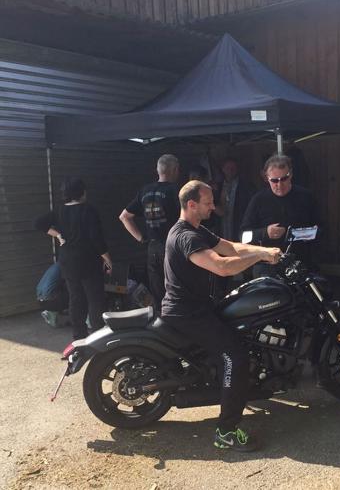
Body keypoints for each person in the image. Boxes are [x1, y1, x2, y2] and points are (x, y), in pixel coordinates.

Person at [161, 180, 281, 452]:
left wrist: (264, 250)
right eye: (208, 203)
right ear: (192, 204)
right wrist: (260, 258)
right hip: (187, 313)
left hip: (198, 307)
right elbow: (222, 266)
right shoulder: (186, 237)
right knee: (235, 357)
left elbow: (231, 248)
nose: (213, 207)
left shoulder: (196, 229)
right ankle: (226, 431)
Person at [35, 177, 112, 340]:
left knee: (76, 298)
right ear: (81, 192)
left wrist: (57, 235)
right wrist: (107, 258)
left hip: (68, 261)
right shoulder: (89, 210)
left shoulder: (59, 211)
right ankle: (98, 336)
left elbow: (38, 223)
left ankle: (79, 336)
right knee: (95, 299)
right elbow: (96, 238)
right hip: (89, 261)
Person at [240, 154, 318, 277]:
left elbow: (321, 228)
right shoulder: (258, 200)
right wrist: (265, 233)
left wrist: (305, 234)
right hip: (267, 266)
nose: (280, 185)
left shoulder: (306, 197)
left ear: (290, 175)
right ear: (267, 178)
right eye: (274, 180)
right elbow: (243, 236)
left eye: (284, 179)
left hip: (300, 263)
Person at [119, 154, 180, 312]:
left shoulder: (144, 191)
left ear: (158, 170)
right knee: (177, 289)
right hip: (172, 247)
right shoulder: (175, 191)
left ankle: (160, 319)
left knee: (158, 291)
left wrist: (142, 239)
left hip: (152, 247)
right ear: (174, 170)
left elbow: (124, 217)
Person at [217, 157, 256, 242]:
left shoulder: (246, 186)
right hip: (222, 229)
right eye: (228, 168)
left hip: (238, 227)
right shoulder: (217, 187)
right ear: (223, 169)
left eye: (233, 168)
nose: (230, 171)